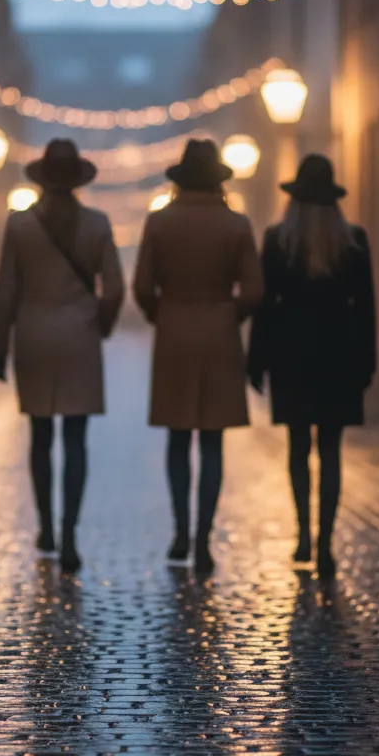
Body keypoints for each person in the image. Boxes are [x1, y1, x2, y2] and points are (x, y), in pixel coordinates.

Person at [0, 138, 124, 573]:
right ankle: (69, 533)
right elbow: (115, 289)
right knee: (75, 439)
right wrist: (101, 324)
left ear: (43, 179)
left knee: (41, 435)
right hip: (79, 336)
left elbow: (6, 291)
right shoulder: (97, 225)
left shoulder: (20, 226)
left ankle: (45, 525)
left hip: (33, 334)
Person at [133, 138, 263, 576]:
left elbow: (142, 286)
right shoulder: (236, 224)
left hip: (174, 328)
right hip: (219, 331)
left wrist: (161, 314)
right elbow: (254, 291)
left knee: (177, 437)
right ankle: (204, 536)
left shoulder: (159, 222)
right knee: (212, 440)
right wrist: (229, 314)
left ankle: (180, 531)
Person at [247, 154, 375, 580]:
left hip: (292, 355)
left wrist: (257, 360)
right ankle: (325, 543)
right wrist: (367, 361)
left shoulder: (279, 241)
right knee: (332, 450)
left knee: (298, 448)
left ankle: (303, 533)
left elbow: (265, 307)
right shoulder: (352, 241)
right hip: (339, 355)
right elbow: (366, 308)